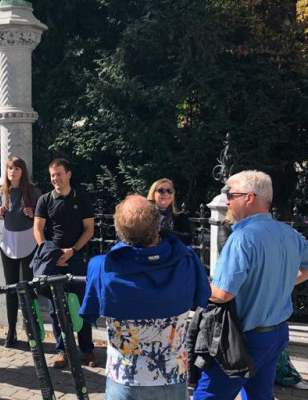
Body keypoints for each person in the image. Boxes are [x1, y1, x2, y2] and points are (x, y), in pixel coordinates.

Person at [193, 170, 308, 400]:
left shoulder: (242, 238)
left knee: (209, 395)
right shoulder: (287, 232)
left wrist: (193, 288)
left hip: (242, 339)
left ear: (249, 198)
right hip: (277, 334)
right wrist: (289, 280)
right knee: (260, 395)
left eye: (231, 194)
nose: (227, 201)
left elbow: (222, 294)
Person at [80, 194, 210, 399]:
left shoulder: (101, 266)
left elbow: (90, 312)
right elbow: (201, 298)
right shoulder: (186, 260)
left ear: (119, 231)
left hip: (124, 377)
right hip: (171, 375)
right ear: (158, 226)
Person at [33, 158, 95, 368]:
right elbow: (38, 229)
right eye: (52, 175)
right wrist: (48, 253)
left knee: (82, 305)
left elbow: (89, 229)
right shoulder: (44, 200)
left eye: (58, 174)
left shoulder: (82, 198)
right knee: (55, 308)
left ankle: (87, 349)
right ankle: (63, 351)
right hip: (53, 261)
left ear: (68, 175)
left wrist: (72, 250)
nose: (55, 179)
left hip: (77, 259)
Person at [0, 156, 41, 347]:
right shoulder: (3, 191)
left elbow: (43, 215)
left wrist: (33, 213)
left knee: (29, 286)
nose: (12, 172)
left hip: (28, 240)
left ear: (23, 171)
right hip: (8, 241)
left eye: (16, 168)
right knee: (10, 288)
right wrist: (1, 213)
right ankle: (11, 329)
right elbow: (4, 213)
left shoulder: (33, 191)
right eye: (9, 168)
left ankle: (33, 329)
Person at [147, 178, 192, 245]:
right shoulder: (144, 215)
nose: (166, 194)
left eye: (169, 191)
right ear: (153, 194)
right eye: (161, 190)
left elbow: (188, 240)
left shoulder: (180, 216)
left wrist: (164, 231)